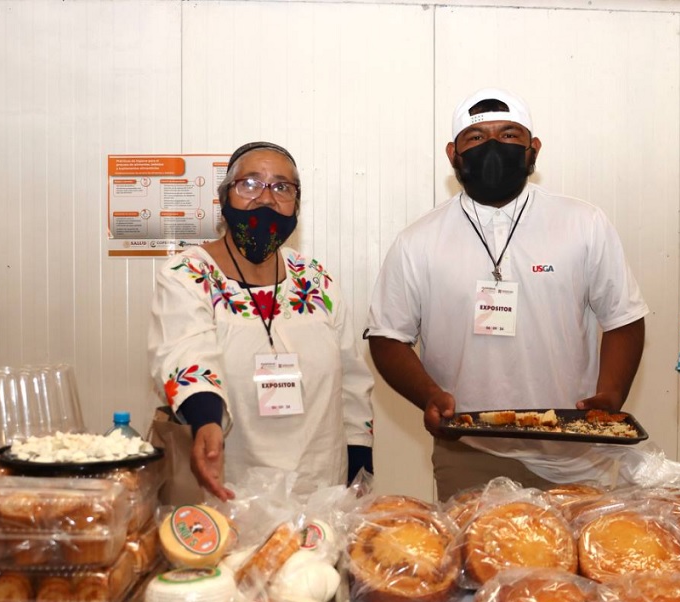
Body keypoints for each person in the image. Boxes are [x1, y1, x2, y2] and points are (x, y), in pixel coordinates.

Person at [364, 88, 648, 501]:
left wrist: (610, 395)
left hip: (575, 453)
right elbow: (388, 336)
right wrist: (428, 395)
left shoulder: (583, 223)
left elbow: (624, 318)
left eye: (510, 135)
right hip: (469, 450)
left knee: (574, 563)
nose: (493, 146)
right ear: (452, 154)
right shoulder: (417, 242)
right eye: (476, 138)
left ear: (534, 150)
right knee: (475, 562)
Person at [148, 141, 374, 500]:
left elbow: (352, 380)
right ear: (224, 199)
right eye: (250, 184)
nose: (266, 198)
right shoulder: (188, 274)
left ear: (296, 204)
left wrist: (361, 466)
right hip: (231, 491)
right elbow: (186, 352)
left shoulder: (314, 280)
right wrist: (205, 420)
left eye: (282, 187)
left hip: (320, 493)